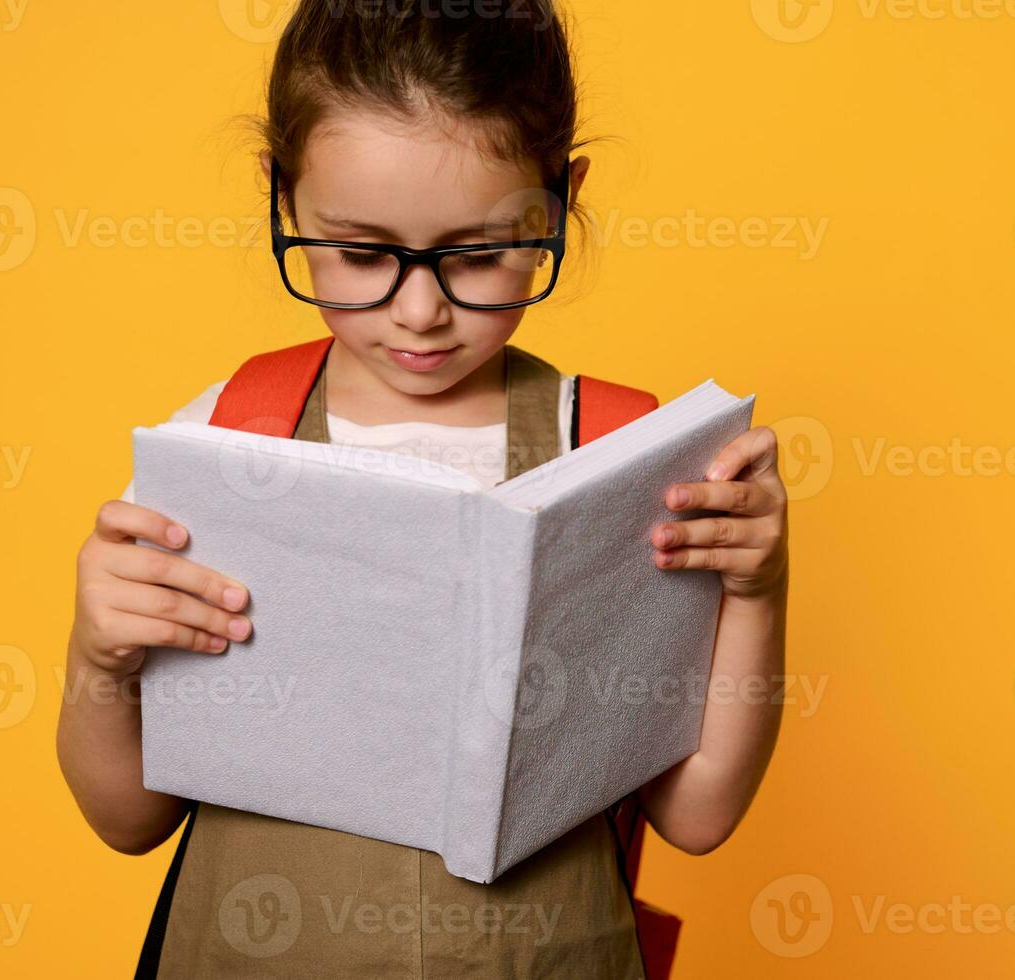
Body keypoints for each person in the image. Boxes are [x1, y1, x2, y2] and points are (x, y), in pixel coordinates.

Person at [55, 2, 789, 976]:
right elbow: (127, 817)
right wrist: (99, 653)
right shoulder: (227, 434)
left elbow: (697, 812)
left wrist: (758, 591)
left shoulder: (619, 451)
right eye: (362, 252)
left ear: (559, 200)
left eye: (479, 253)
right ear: (284, 195)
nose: (420, 309)